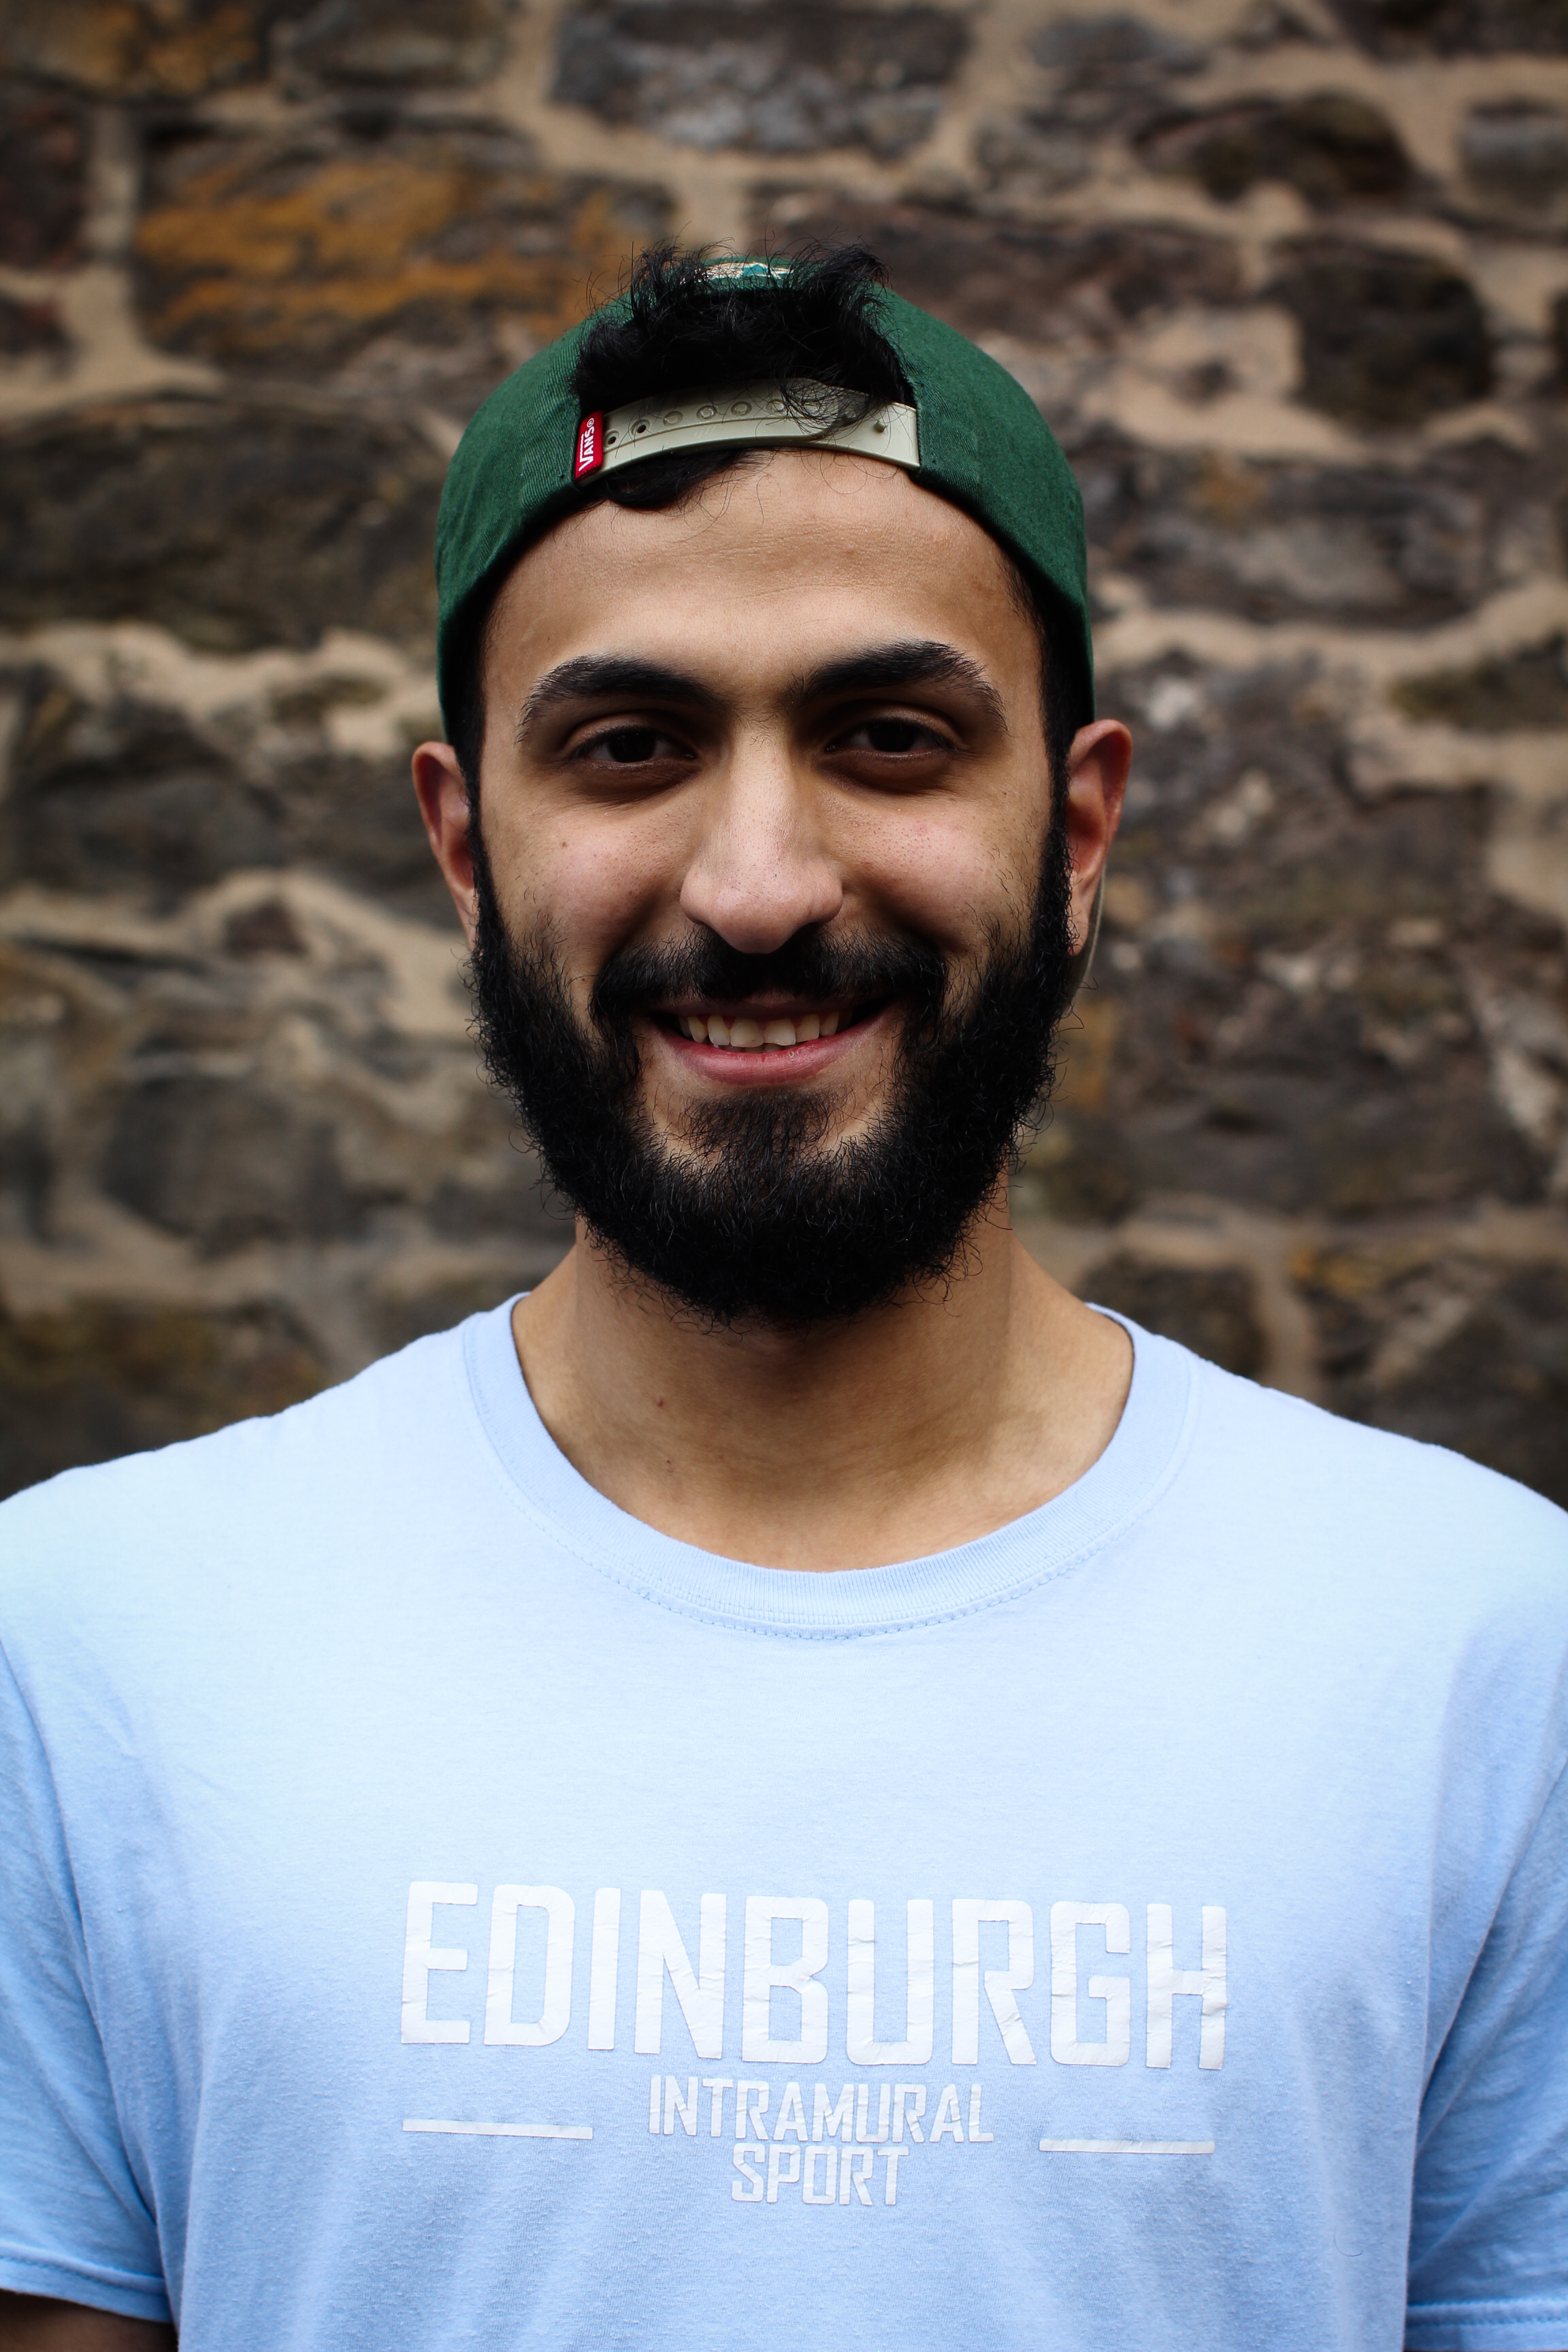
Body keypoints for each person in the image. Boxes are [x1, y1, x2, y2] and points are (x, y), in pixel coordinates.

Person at [1, 246, 1564, 2352]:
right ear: (465, 847)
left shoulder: (1484, 1652)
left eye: (891, 739)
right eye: (632, 746)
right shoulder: (87, 1646)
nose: (756, 886)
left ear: (1078, 829)